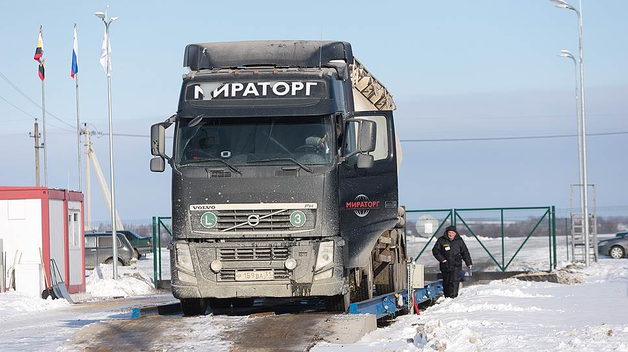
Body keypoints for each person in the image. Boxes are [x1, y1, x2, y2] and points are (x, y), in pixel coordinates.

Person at [432, 225, 472, 298]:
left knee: (454, 281)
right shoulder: (441, 240)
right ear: (447, 233)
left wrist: (468, 263)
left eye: (452, 233)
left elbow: (465, 252)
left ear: (455, 233)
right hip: (445, 265)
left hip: (456, 265)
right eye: (449, 232)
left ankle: (453, 297)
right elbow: (435, 251)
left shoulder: (459, 241)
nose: (451, 234)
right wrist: (442, 259)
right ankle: (447, 297)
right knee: (446, 282)